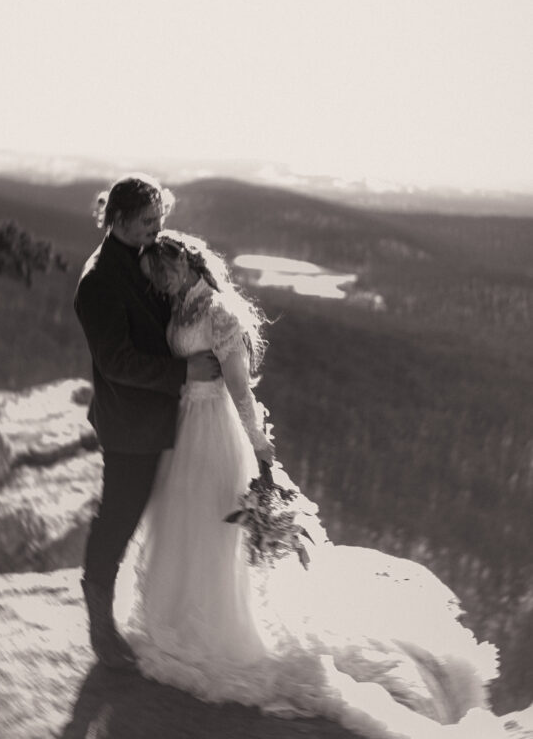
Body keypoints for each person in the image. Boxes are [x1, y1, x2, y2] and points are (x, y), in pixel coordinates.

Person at [114, 229, 529, 739]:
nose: (164, 281)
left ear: (190, 263)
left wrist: (261, 450)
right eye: (157, 275)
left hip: (215, 432)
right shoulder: (178, 309)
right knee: (182, 524)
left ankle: (218, 629)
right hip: (183, 426)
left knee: (212, 529)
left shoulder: (221, 312)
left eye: (169, 271)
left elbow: (241, 391)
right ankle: (172, 615)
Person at [73, 175, 220, 669]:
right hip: (129, 424)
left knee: (142, 516)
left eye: (160, 220)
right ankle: (99, 626)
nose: (157, 230)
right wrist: (185, 371)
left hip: (161, 415)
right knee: (118, 516)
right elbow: (117, 362)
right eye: (146, 222)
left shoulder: (143, 256)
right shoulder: (98, 281)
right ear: (116, 220)